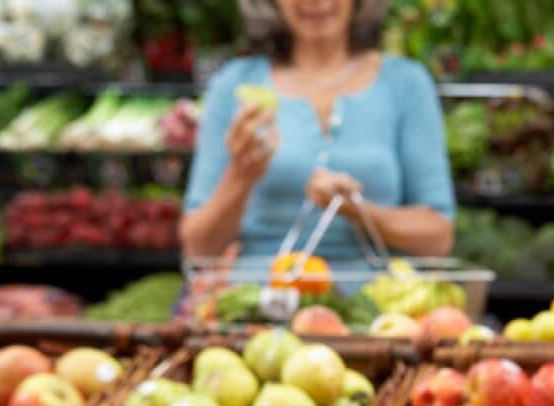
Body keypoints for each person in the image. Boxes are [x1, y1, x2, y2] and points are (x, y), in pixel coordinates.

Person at [181, 0, 455, 262]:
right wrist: (241, 174)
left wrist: (356, 210)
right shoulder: (234, 84)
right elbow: (198, 247)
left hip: (377, 299)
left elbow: (438, 237)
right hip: (265, 296)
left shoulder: (406, 83)